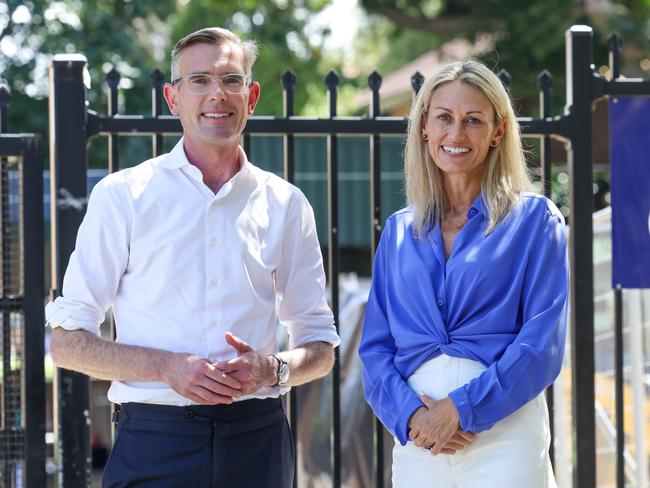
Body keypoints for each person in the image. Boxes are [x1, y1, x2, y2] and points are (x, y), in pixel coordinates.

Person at [46, 26, 340, 488]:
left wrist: (273, 369)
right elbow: (67, 344)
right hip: (153, 443)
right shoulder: (123, 196)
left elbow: (321, 347)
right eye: (199, 80)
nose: (216, 94)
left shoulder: (286, 203)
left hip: (258, 442)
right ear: (172, 97)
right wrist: (167, 367)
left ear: (252, 95)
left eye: (231, 80)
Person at [359, 59, 568, 487]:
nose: (456, 134)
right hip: (419, 441)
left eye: (473, 120)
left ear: (498, 131)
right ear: (423, 128)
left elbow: (540, 344)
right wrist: (411, 415)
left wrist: (461, 410)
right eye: (444, 118)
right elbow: (375, 350)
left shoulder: (534, 220)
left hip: (503, 435)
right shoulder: (399, 230)